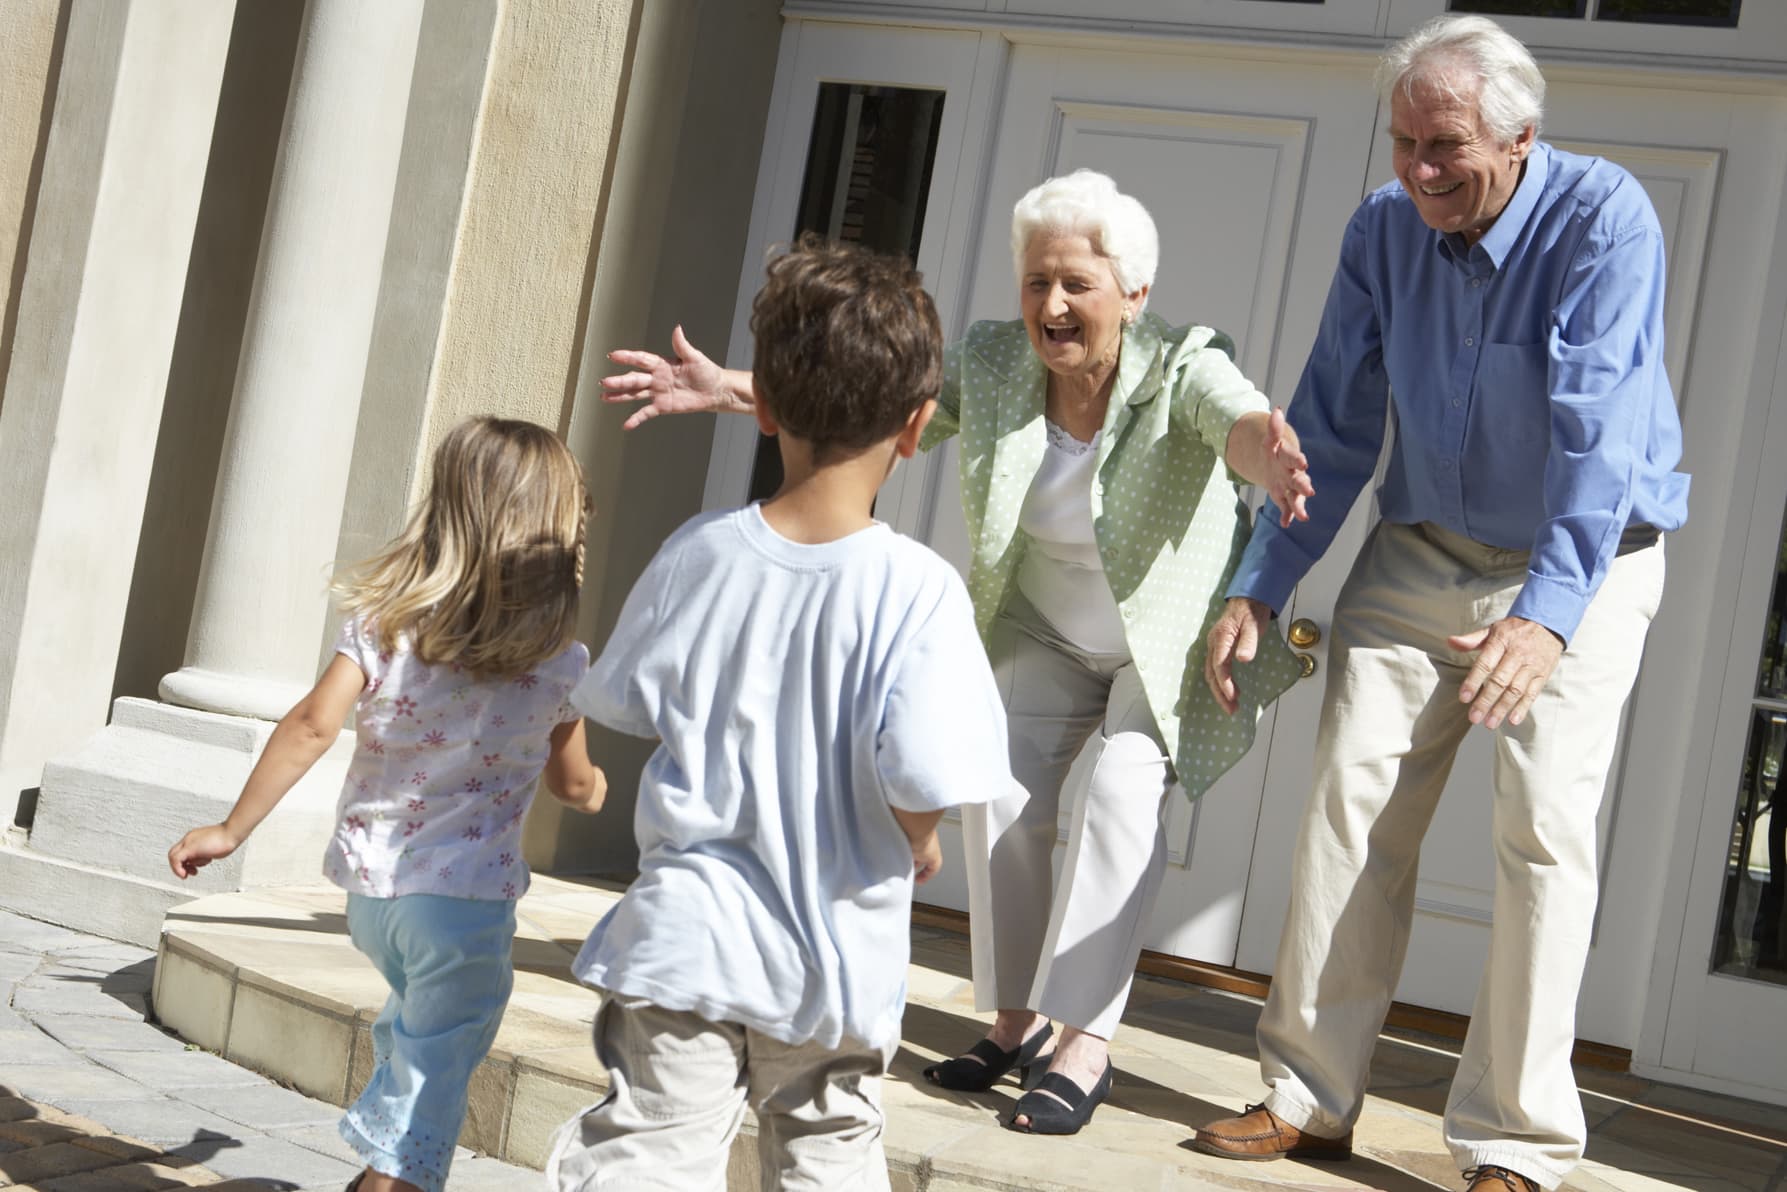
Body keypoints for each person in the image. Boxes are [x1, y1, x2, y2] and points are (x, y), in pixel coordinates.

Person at [599, 169, 1309, 1135]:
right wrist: (732, 387)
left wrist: (1262, 453)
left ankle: (1083, 1039)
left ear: (1132, 295)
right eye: (1034, 284)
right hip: (1045, 626)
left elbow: (1231, 418)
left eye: (1075, 286)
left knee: (1119, 795)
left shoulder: (1183, 363)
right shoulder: (993, 359)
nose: (1050, 307)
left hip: (1158, 641)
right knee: (1004, 795)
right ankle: (1015, 1018)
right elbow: (867, 397)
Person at [1194, 15, 1689, 1192]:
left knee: (1538, 835)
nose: (1417, 170)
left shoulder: (1601, 218)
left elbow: (1594, 429)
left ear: (1519, 138)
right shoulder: (1382, 228)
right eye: (1403, 141)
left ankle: (1514, 1139)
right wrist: (1264, 578)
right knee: (1348, 805)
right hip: (1418, 547)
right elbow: (1332, 414)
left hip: (1586, 557)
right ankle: (1305, 1095)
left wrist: (1547, 615)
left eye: (1445, 145)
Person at [545, 235, 1009, 1190]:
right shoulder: (920, 589)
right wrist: (916, 835)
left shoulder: (698, 551)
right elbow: (920, 778)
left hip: (684, 939)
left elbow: (624, 699)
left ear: (764, 410)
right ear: (918, 425)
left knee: (647, 1154)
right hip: (831, 955)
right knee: (829, 1158)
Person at [167, 417, 607, 1192]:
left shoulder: (384, 626)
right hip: (464, 908)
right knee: (437, 1076)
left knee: (416, 1032)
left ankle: (382, 1154)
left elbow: (310, 726)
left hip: (374, 898)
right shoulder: (559, 662)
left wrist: (232, 828)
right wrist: (598, 789)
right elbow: (575, 785)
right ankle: (388, 1176)